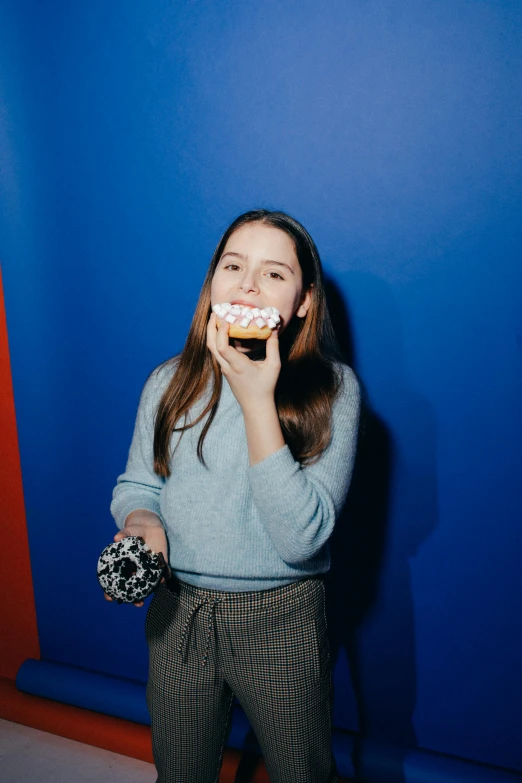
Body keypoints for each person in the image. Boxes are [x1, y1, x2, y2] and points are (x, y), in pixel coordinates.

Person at [108, 209, 361, 783]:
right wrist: (144, 520)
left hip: (283, 616)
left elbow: (303, 539)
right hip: (178, 612)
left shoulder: (333, 390)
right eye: (233, 265)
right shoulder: (168, 382)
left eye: (274, 273)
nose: (248, 282)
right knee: (180, 768)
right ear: (212, 283)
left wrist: (255, 401)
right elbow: (138, 485)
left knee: (302, 770)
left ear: (303, 302)